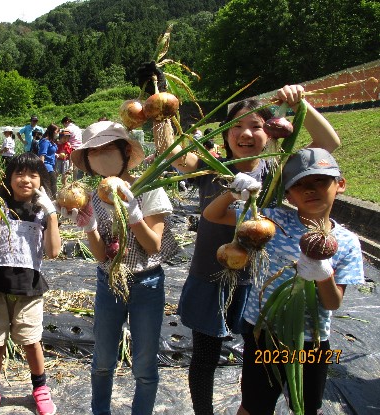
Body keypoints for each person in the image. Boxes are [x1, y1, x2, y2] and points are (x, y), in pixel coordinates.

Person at [144, 76, 341, 413]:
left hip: (261, 282)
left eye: (257, 126)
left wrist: (299, 105)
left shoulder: (279, 170)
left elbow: (329, 145)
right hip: (211, 277)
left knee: (256, 359)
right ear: (226, 132)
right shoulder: (209, 168)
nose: (247, 134)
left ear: (271, 133)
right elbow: (169, 152)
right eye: (238, 126)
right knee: (205, 356)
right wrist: (160, 106)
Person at [202, 148, 364, 415]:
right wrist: (232, 192)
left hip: (310, 338)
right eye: (299, 185)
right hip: (264, 332)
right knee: (254, 404)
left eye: (320, 181)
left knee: (306, 406)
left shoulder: (347, 242)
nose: (310, 190)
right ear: (288, 194)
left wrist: (323, 272)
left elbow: (333, 302)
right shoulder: (272, 220)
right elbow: (213, 215)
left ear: (341, 185)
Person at [60, 121, 178, 414]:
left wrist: (134, 213)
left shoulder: (150, 190)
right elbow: (102, 256)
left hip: (146, 284)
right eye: (93, 152)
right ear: (86, 160)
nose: (100, 156)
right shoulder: (90, 197)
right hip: (108, 283)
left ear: (126, 150)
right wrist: (88, 228)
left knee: (144, 364)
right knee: (102, 361)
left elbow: (153, 247)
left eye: (107, 148)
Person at [0, 152, 60, 415]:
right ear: (8, 177)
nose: (26, 180)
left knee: (32, 342)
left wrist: (52, 214)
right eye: (19, 173)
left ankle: (40, 389)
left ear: (42, 181)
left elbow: (53, 252)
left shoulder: (42, 213)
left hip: (29, 288)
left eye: (33, 175)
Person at [38, 123, 59, 197]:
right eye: (57, 131)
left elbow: (51, 153)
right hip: (47, 166)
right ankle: (52, 201)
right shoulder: (45, 141)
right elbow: (42, 155)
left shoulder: (51, 142)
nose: (58, 133)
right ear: (52, 131)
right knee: (52, 186)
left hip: (52, 165)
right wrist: (41, 168)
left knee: (52, 185)